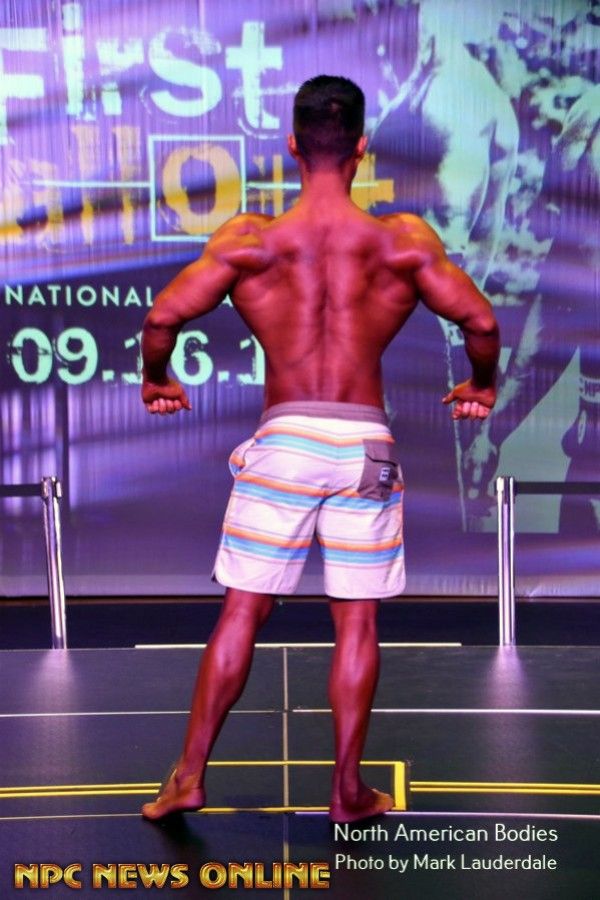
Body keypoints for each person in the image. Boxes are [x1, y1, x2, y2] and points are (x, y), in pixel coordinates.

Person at [139, 75, 499, 824]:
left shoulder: (251, 240)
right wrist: (480, 384)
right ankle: (346, 791)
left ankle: (188, 777)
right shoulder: (402, 242)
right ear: (362, 148)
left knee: (244, 610)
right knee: (357, 621)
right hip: (365, 444)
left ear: (292, 147)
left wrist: (158, 378)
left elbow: (163, 317)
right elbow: (482, 323)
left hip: (287, 440)